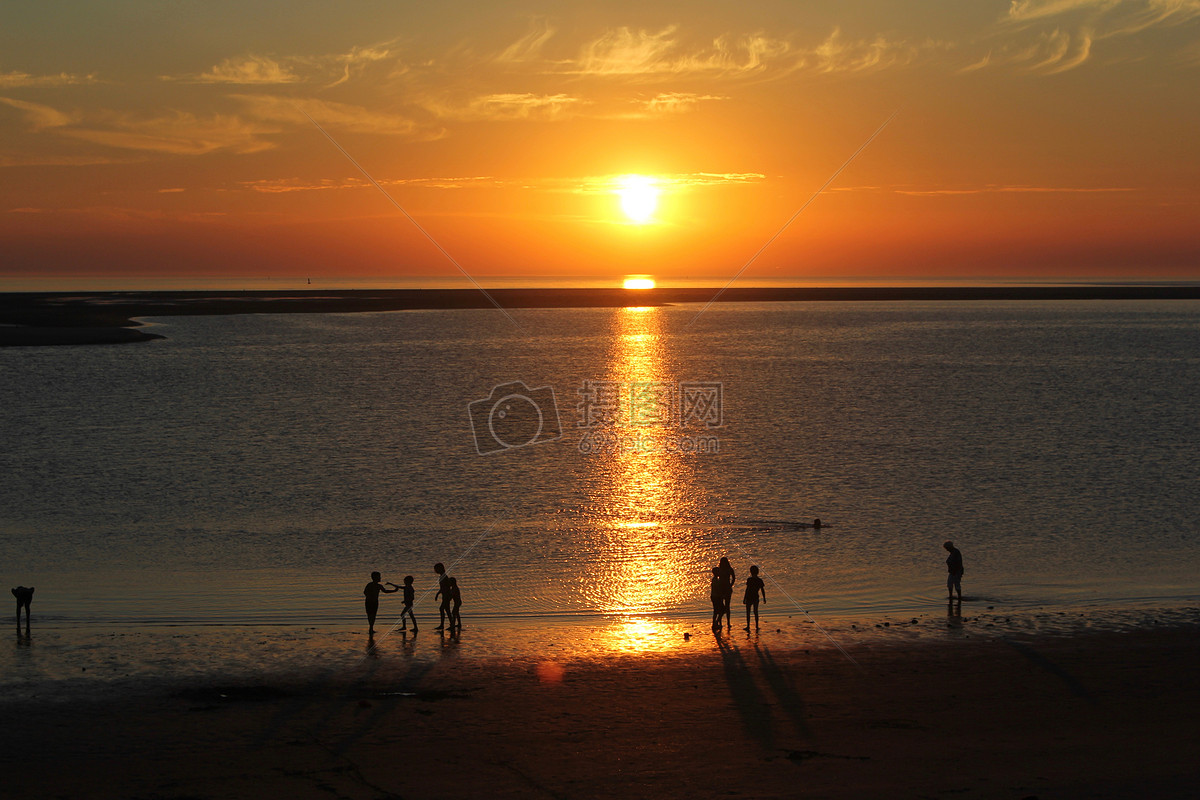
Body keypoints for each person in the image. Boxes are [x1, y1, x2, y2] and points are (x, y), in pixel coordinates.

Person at [743, 565, 766, 631]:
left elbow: (747, 590)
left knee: (748, 612)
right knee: (755, 612)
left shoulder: (749, 580)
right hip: (756, 597)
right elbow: (762, 590)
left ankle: (748, 626)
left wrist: (744, 598)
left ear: (751, 572)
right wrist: (764, 598)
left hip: (749, 597)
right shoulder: (759, 580)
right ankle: (756, 626)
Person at [715, 557, 736, 629]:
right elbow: (733, 578)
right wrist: (731, 584)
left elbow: (733, 578)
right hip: (726, 588)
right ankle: (728, 622)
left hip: (722, 589)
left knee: (722, 606)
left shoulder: (720, 570)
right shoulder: (729, 569)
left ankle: (721, 622)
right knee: (727, 606)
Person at [433, 562, 452, 630]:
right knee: (447, 610)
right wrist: (438, 594)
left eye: (436, 569)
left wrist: (447, 595)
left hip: (446, 595)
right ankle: (448, 624)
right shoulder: (442, 576)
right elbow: (442, 588)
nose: (435, 570)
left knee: (442, 609)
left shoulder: (444, 576)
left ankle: (444, 625)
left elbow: (446, 587)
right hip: (445, 595)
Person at [709, 567, 724, 631]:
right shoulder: (715, 580)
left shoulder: (714, 579)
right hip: (716, 597)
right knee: (722, 610)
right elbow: (717, 589)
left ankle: (715, 623)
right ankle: (716, 623)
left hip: (714, 596)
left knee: (716, 611)